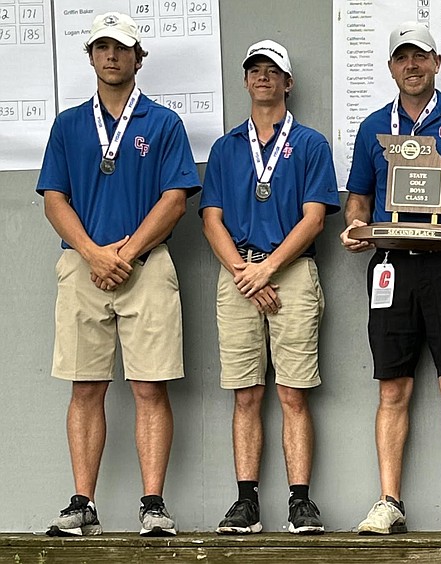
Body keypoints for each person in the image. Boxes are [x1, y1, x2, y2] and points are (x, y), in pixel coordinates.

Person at [36, 12, 200, 536]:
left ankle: (153, 504)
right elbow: (54, 199)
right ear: (90, 57)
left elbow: (174, 201)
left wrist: (123, 254)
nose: (111, 56)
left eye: (121, 48)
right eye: (102, 47)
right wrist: (92, 253)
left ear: (138, 58)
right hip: (83, 266)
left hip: (146, 268)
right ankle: (83, 501)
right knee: (86, 387)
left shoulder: (163, 122)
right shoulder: (68, 124)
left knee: (150, 387)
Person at [340, 22, 441, 536]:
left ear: (436, 62)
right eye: (402, 58)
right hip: (392, 266)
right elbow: (358, 198)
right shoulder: (372, 127)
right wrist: (353, 227)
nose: (411, 65)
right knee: (393, 389)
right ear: (391, 67)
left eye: (420, 56)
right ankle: (388, 500)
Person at [200, 39, 339, 535]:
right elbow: (211, 218)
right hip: (237, 274)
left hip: (292, 273)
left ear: (288, 82)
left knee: (294, 393)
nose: (262, 77)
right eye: (254, 69)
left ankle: (300, 501)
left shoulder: (311, 144)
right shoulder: (224, 147)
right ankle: (246, 502)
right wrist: (245, 271)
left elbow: (315, 218)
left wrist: (267, 270)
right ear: (245, 80)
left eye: (272, 70)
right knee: (244, 394)